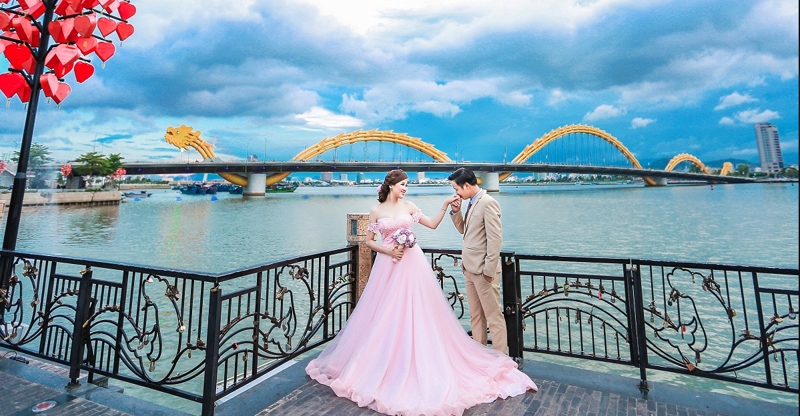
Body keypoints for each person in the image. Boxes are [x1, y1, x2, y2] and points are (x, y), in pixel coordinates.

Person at [306, 169, 537, 416]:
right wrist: (388, 251)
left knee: (419, 310)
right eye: (402, 184)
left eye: (407, 184)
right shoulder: (377, 211)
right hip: (389, 265)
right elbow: (369, 241)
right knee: (386, 312)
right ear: (391, 185)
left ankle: (426, 358)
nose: (405, 188)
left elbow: (433, 224)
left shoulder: (410, 206)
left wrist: (447, 204)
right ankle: (388, 361)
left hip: (412, 265)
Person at [447, 167, 507, 354]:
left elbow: (495, 239)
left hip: (483, 272)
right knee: (476, 316)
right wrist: (456, 212)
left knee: (493, 317)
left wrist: (488, 271)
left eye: (456, 189)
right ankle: (480, 355)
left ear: (466, 185)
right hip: (469, 269)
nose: (455, 193)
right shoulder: (471, 203)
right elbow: (464, 231)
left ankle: (501, 358)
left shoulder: (488, 202)